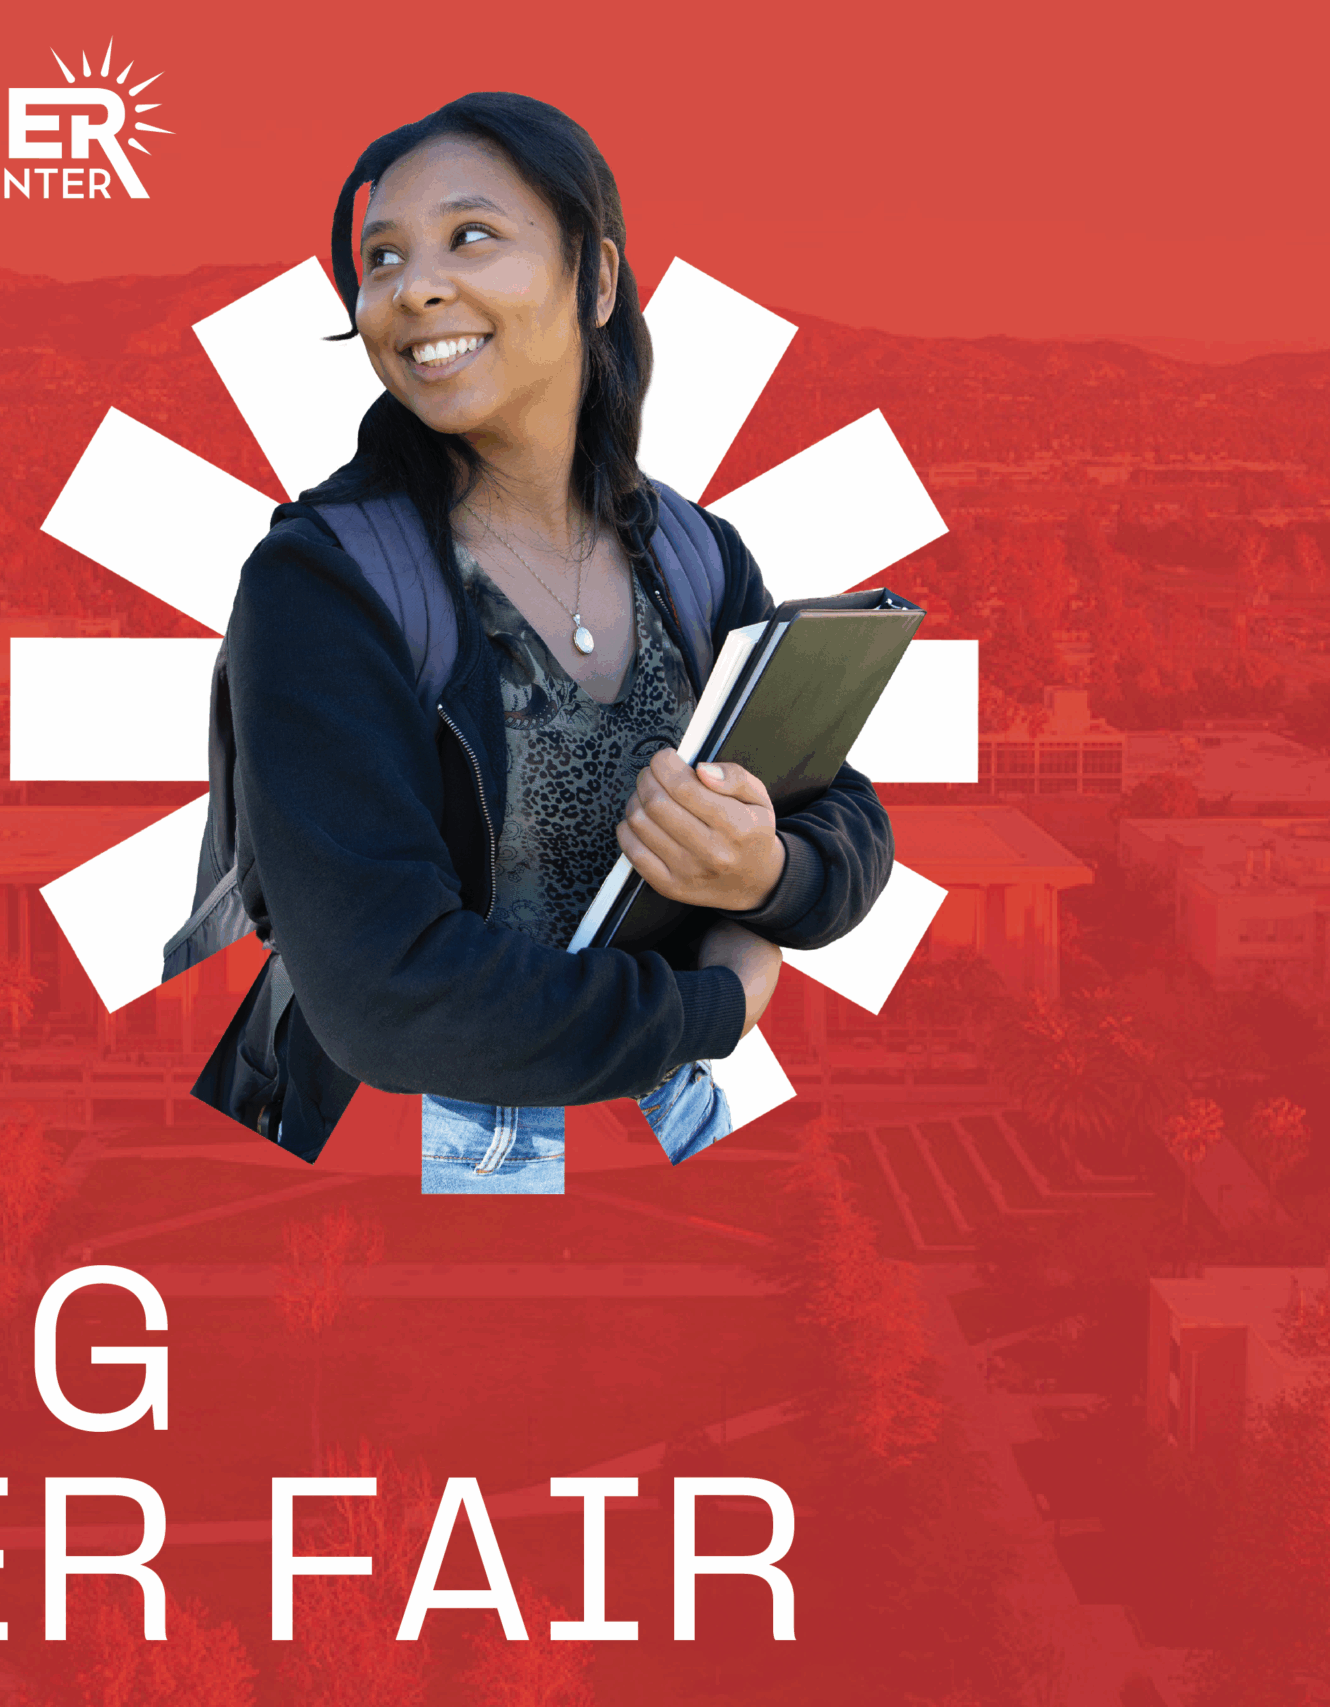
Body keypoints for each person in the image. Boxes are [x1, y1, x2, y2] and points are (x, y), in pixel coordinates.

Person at [211, 91, 895, 1192]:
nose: (413, 286)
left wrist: (768, 868)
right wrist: (717, 1002)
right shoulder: (322, 586)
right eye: (381, 259)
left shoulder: (693, 553)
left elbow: (842, 812)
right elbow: (388, 993)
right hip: (431, 1154)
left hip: (670, 1123)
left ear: (597, 277)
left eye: (470, 235)